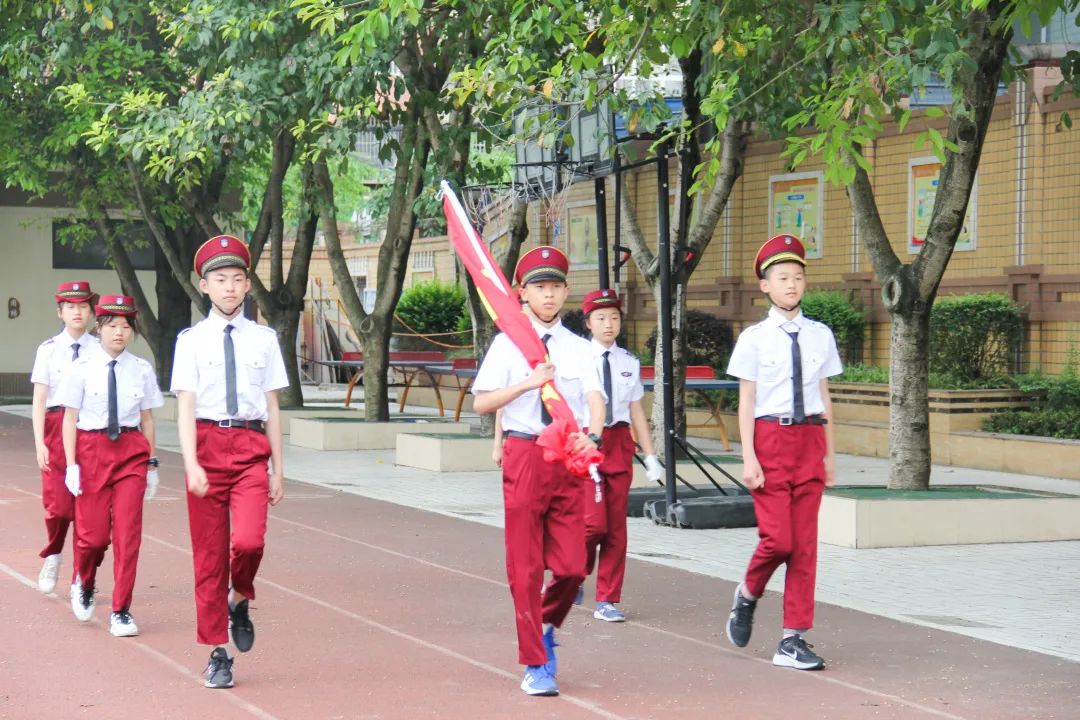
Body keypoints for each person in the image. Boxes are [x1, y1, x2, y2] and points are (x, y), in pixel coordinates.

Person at [473, 245, 605, 697]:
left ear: (566, 292)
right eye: (539, 287)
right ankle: (535, 661)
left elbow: (595, 398)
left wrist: (595, 434)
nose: (548, 295)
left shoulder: (578, 347)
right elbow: (482, 401)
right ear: (521, 293)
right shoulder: (508, 343)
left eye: (555, 287)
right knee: (526, 568)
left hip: (568, 458)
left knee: (571, 568)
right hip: (526, 454)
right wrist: (528, 383)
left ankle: (546, 623)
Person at [171, 234, 287, 689]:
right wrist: (191, 464)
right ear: (204, 285)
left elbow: (273, 407)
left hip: (250, 448)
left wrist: (280, 468)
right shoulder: (190, 341)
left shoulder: (264, 339)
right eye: (221, 280)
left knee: (251, 542)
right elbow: (184, 406)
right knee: (209, 558)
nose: (230, 288)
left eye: (238, 279)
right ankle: (218, 653)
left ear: (247, 285)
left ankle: (240, 595)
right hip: (205, 445)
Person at [724, 234, 842, 671]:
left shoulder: (820, 335)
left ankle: (793, 638)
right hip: (771, 441)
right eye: (782, 277)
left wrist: (830, 454)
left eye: (797, 277)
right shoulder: (754, 339)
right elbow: (747, 401)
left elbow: (824, 395)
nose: (792, 284)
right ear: (765, 286)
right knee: (779, 540)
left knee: (805, 547)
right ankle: (748, 593)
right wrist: (749, 458)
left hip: (810, 440)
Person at [58, 294, 163, 637]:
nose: (119, 332)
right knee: (92, 537)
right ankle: (84, 579)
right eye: (112, 325)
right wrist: (71, 465)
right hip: (92, 450)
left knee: (128, 535)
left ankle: (121, 609)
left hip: (130, 452)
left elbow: (147, 419)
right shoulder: (81, 368)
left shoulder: (141, 369)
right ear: (99, 327)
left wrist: (151, 463)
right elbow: (69, 419)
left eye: (126, 326)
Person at [578, 288, 662, 622]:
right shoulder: (578, 358)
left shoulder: (628, 362)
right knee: (591, 525)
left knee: (615, 529)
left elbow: (636, 411)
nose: (608, 324)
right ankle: (573, 571)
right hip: (586, 443)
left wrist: (651, 454)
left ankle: (607, 599)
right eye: (601, 318)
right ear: (588, 323)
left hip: (618, 443)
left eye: (614, 317)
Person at [30, 281, 100, 595]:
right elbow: (40, 399)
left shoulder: (100, 349)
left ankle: (80, 575)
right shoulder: (48, 349)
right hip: (56, 428)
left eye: (82, 306)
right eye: (70, 306)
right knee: (58, 507)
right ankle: (54, 554)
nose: (77, 312)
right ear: (60, 311)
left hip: (88, 426)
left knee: (87, 506)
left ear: (91, 312)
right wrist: (39, 442)